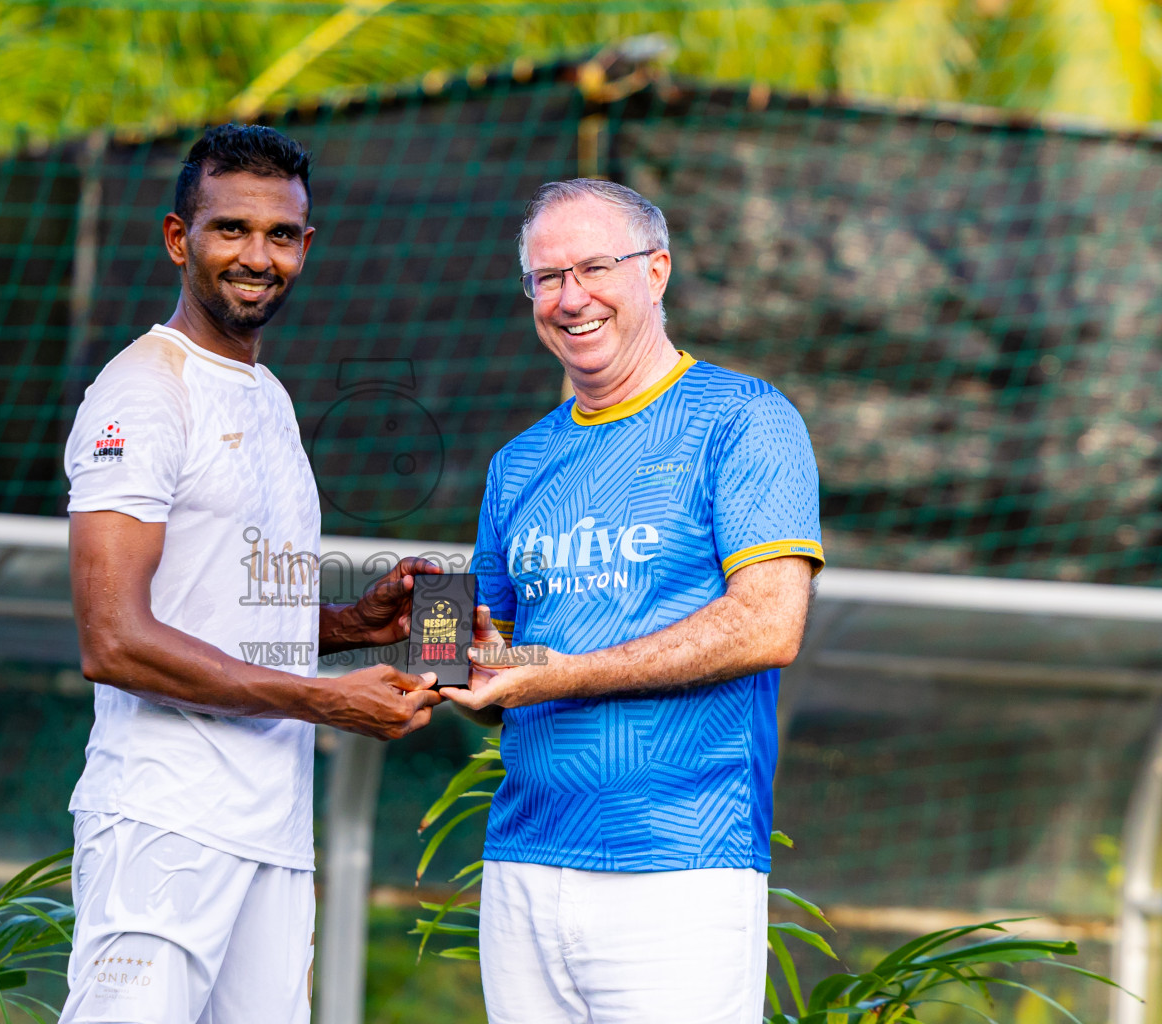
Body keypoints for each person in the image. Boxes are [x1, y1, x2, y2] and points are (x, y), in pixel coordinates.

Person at [60, 124, 441, 1024]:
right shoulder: (143, 391)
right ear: (176, 237)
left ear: (306, 246)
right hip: (163, 823)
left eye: (280, 236)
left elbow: (222, 607)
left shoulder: (267, 395)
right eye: (230, 229)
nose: (256, 257)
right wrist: (324, 698)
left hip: (272, 830)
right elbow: (114, 642)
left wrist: (353, 626)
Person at [442, 178, 824, 1024]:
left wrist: (558, 675)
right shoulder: (518, 463)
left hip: (682, 866)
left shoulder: (744, 419)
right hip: (524, 867)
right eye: (547, 278)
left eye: (594, 268)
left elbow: (769, 623)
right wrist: (435, 650)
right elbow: (499, 666)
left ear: (656, 272)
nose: (571, 297)